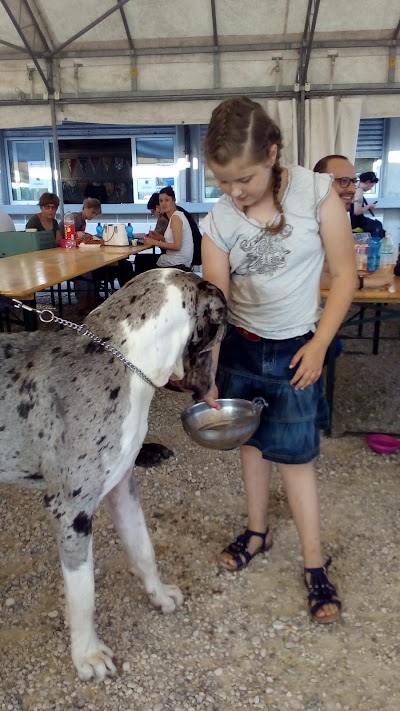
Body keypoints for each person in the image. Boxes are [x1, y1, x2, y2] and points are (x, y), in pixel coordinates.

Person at [200, 96, 357, 624]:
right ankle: (257, 531)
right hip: (241, 345)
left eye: (243, 178)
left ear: (272, 153)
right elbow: (214, 305)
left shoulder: (317, 195)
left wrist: (317, 345)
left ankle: (315, 564)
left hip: (297, 346)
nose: (234, 192)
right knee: (251, 443)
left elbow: (345, 275)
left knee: (296, 454)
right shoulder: (220, 219)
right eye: (223, 182)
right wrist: (208, 372)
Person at [313, 155, 394, 291]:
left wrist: (360, 275)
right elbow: (307, 279)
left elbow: (329, 269)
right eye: (344, 181)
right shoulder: (305, 224)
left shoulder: (331, 220)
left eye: (353, 181)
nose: (351, 189)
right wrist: (365, 282)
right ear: (318, 182)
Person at [147, 190, 202, 266]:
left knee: (141, 261)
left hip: (183, 259)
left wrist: (154, 242)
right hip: (190, 255)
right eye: (161, 201)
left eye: (167, 200)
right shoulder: (177, 214)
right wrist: (159, 237)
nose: (164, 204)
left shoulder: (175, 218)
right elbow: (172, 239)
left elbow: (177, 246)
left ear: (174, 200)